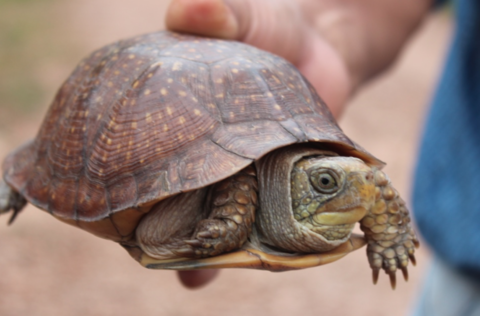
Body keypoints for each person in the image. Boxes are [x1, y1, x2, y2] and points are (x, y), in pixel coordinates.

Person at [166, 0, 480, 314]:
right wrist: (332, 26)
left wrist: (390, 233)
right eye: (325, 182)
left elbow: (371, 184)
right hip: (457, 270)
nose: (366, 188)